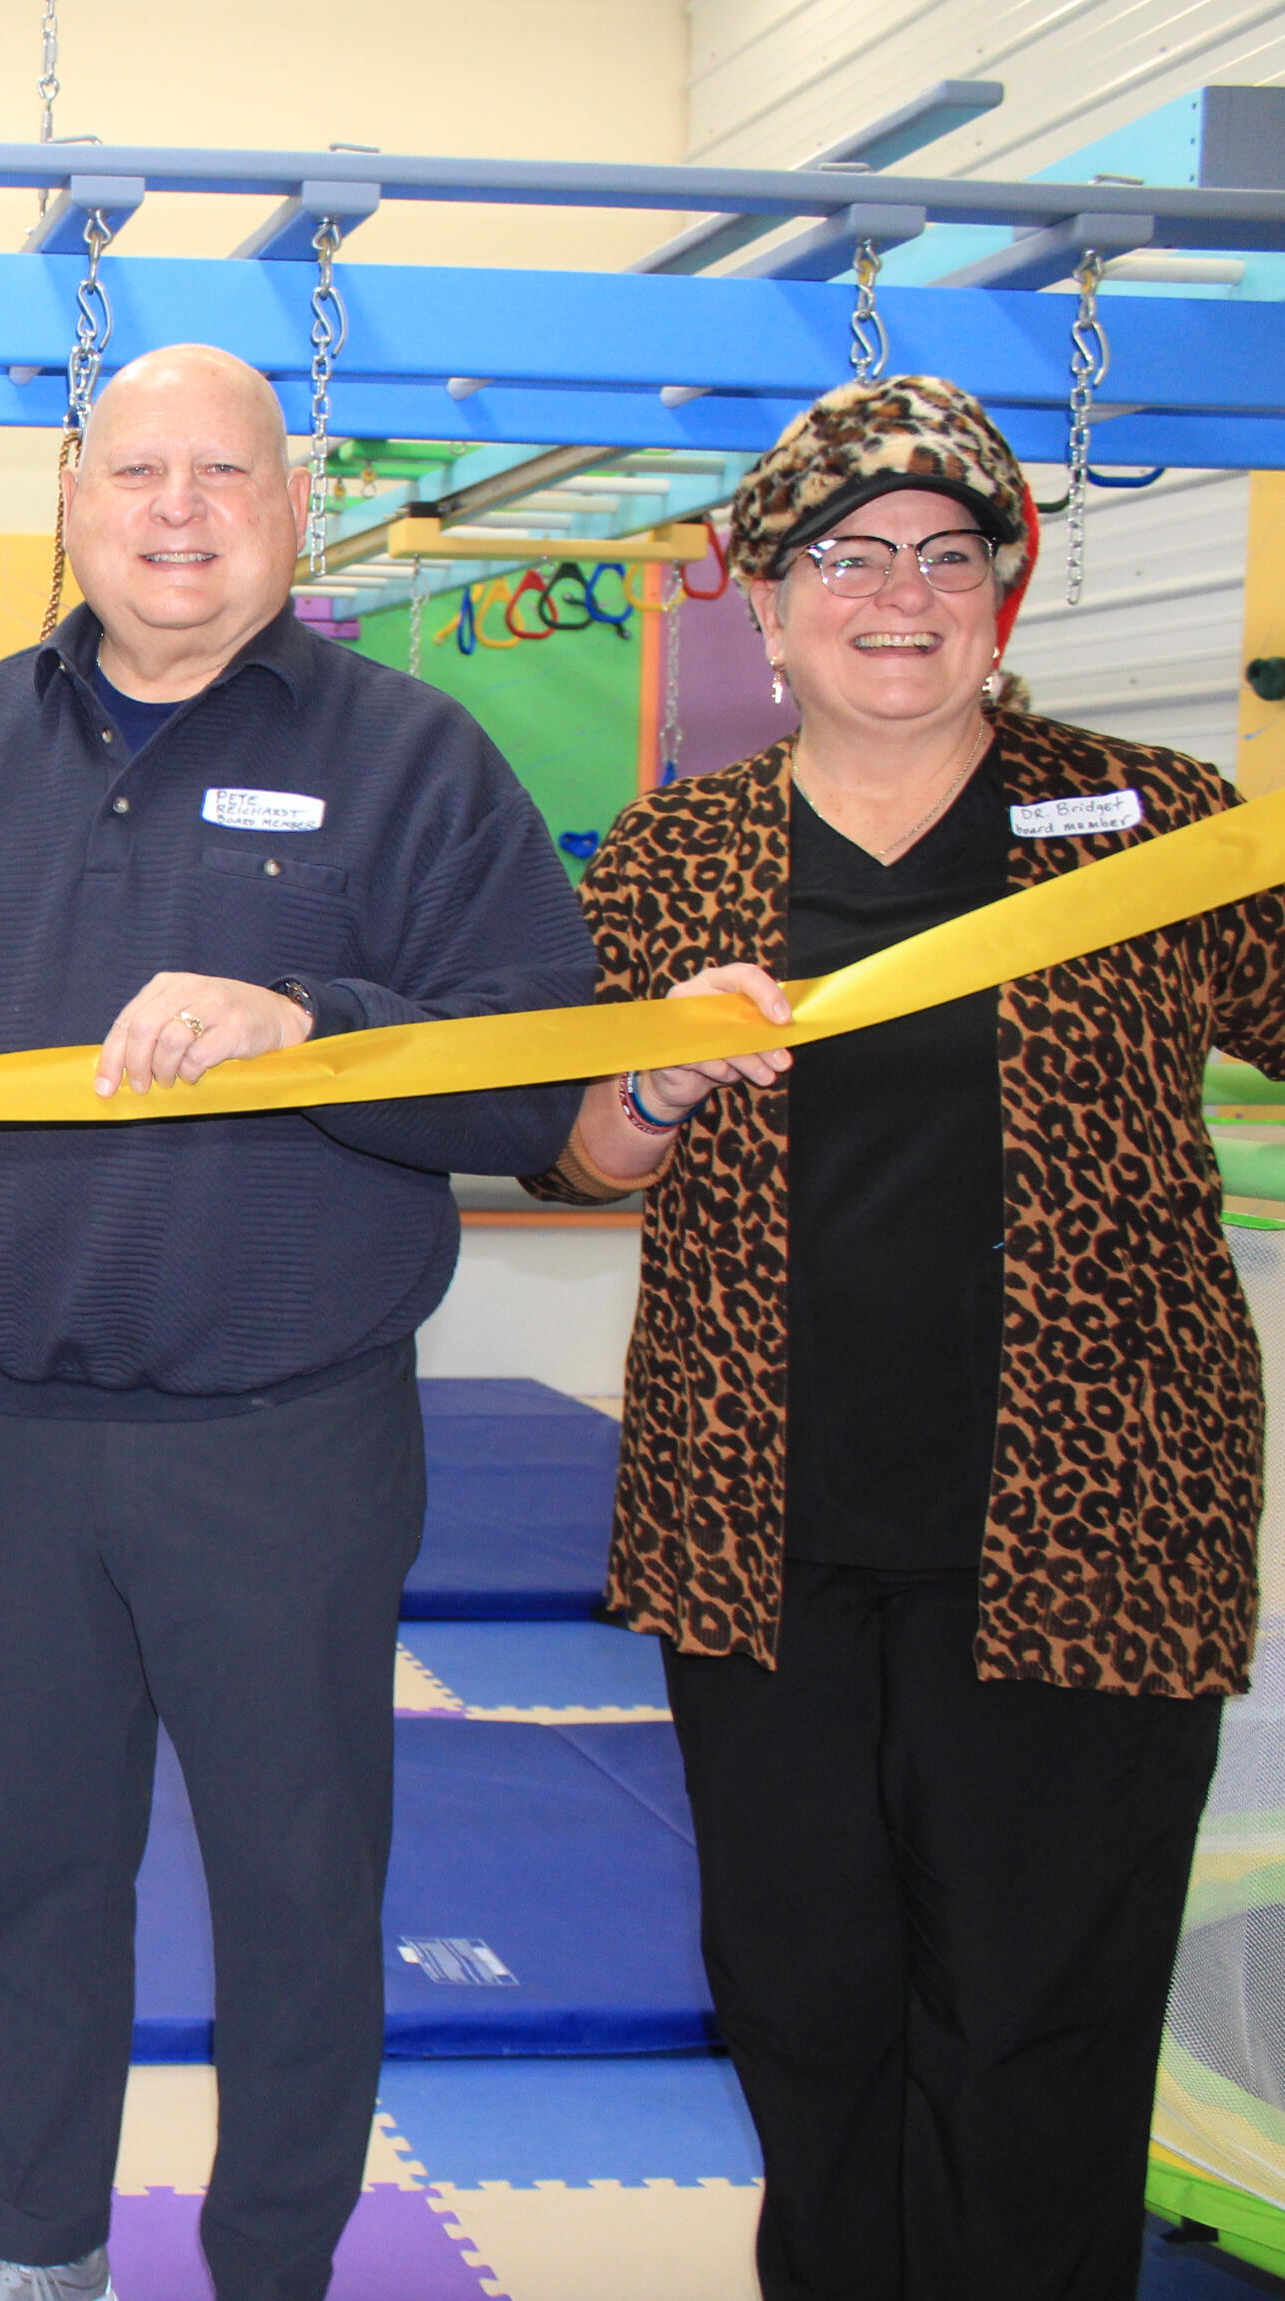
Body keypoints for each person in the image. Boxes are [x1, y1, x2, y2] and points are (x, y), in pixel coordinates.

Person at [0, 345, 598, 2301]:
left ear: (289, 507)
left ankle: (272, 2267)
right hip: (7, 1429)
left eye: (221, 473)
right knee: (37, 1876)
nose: (176, 510)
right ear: (71, 501)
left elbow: (530, 1079)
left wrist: (308, 1021)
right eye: (136, 470)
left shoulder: (412, 758)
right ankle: (35, 2245)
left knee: (298, 1893)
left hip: (285, 1439)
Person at [527, 373, 1285, 2301]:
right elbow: (581, 1156)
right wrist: (665, 1080)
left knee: (1039, 2018)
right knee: (801, 2000)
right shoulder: (675, 854)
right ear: (768, 602)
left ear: (999, 600)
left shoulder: (1153, 824)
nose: (900, 594)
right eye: (847, 555)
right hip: (757, 1535)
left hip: (1095, 1532)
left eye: (949, 556)